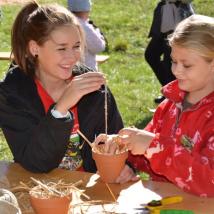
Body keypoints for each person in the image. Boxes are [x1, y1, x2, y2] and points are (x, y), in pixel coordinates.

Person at [96, 14, 214, 197]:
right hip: (164, 203)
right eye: (174, 61)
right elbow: (146, 154)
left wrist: (153, 146)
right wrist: (124, 152)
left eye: (187, 65)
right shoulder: (170, 105)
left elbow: (209, 182)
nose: (176, 70)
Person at [0, 2, 124, 175]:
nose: (72, 57)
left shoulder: (94, 89)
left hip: (92, 192)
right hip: (39, 191)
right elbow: (35, 163)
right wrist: (61, 109)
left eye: (76, 47)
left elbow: (119, 140)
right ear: (35, 48)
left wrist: (121, 164)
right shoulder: (13, 94)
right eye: (61, 48)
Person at [145, 0, 194, 104]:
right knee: (151, 55)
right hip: (164, 22)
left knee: (169, 63)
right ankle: (169, 91)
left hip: (179, 24)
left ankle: (174, 96)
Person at [67, 0, 106, 71]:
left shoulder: (65, 24)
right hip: (86, 70)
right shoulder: (84, 27)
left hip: (69, 69)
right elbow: (98, 47)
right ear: (87, 9)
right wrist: (98, 33)